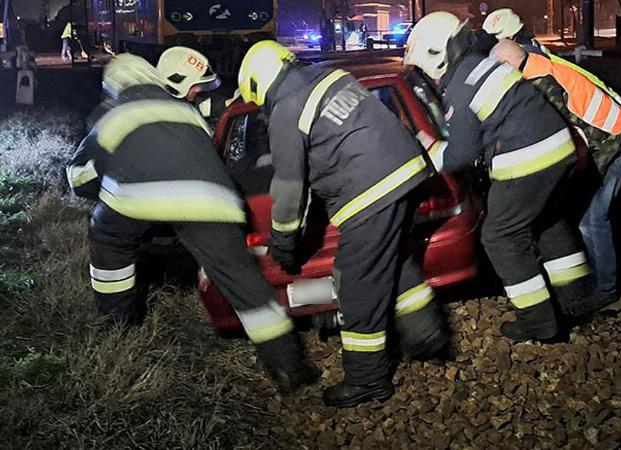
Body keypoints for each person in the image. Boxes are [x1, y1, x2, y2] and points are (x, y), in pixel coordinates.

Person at [65, 54, 320, 394]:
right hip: (212, 199)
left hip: (137, 198)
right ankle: (290, 369)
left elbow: (82, 178)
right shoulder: (186, 113)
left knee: (108, 237)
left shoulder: (108, 114)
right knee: (246, 284)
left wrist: (105, 182)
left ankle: (119, 326)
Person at [236, 40, 449, 408]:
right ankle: (427, 336)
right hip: (410, 173)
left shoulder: (287, 108)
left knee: (355, 283)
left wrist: (284, 246)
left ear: (259, 84)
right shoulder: (327, 76)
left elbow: (288, 189)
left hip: (372, 192)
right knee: (391, 260)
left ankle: (367, 381)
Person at [404, 12, 596, 343]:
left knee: (500, 236)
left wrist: (430, 150)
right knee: (546, 219)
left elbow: (459, 156)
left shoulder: (460, 88)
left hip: (529, 159)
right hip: (559, 149)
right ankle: (577, 299)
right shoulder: (480, 66)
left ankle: (538, 323)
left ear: (436, 56)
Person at [484, 9, 621, 310]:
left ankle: (606, 288)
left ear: (508, 63)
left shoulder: (539, 81)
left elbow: (557, 131)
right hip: (611, 130)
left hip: (615, 136)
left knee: (593, 219)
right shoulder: (536, 62)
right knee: (588, 211)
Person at [156, 47, 227, 127]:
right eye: (196, 86)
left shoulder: (194, 99)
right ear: (177, 85)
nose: (199, 90)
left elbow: (214, 104)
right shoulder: (161, 117)